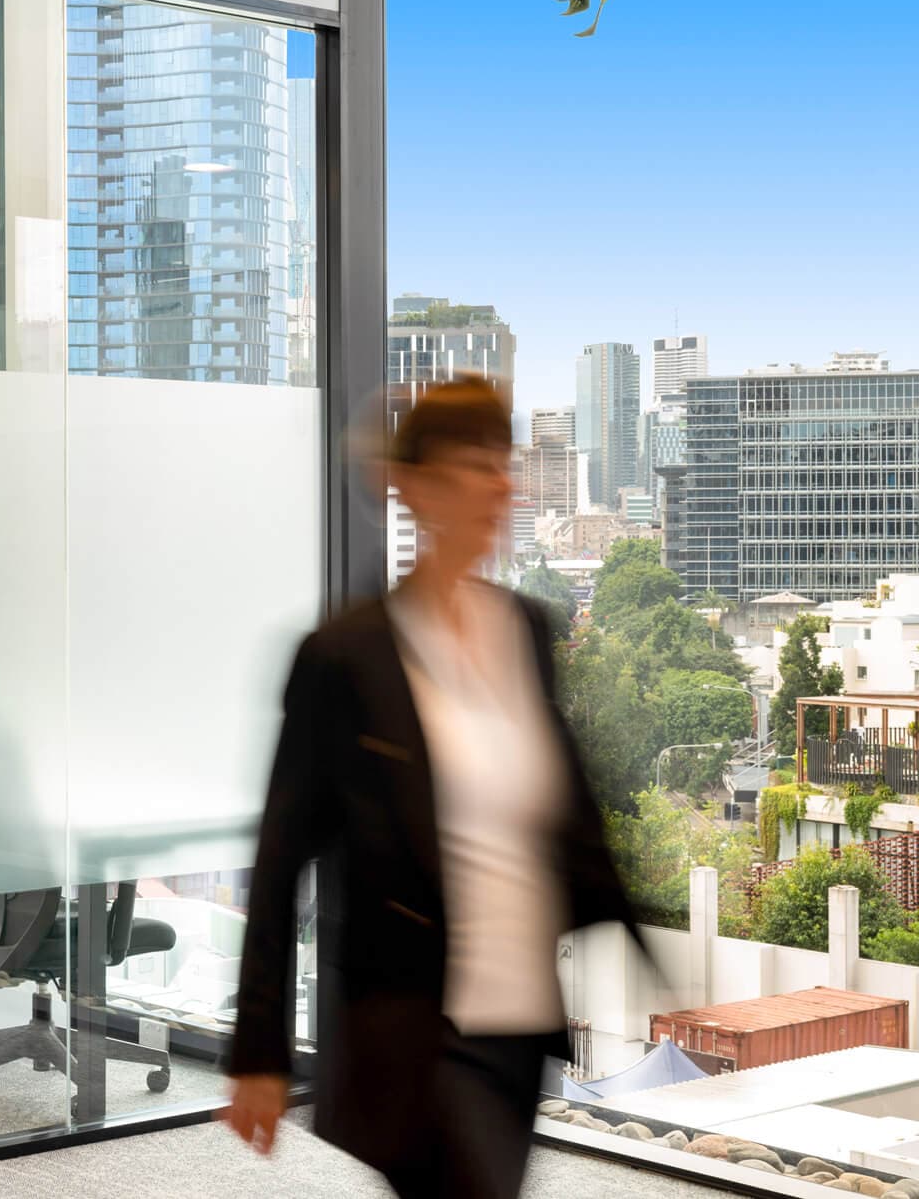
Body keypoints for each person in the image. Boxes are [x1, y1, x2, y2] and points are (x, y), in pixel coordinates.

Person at [221, 377, 645, 1199]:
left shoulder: (525, 627)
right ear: (414, 486)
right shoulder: (345, 658)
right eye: (475, 463)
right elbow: (279, 861)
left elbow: (558, 808)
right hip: (415, 1029)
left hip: (518, 1022)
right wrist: (260, 1049)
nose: (501, 484)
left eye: (505, 463)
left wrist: (631, 927)